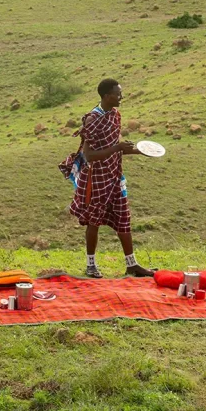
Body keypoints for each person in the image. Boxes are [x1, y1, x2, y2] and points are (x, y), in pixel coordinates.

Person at [60, 79, 154, 278]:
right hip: (96, 179)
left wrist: (140, 151)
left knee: (123, 219)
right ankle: (91, 265)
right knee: (93, 221)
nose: (121, 97)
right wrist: (118, 147)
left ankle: (132, 264)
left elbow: (113, 149)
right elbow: (89, 156)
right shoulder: (93, 120)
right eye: (117, 94)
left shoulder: (114, 115)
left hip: (115, 176)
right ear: (106, 96)